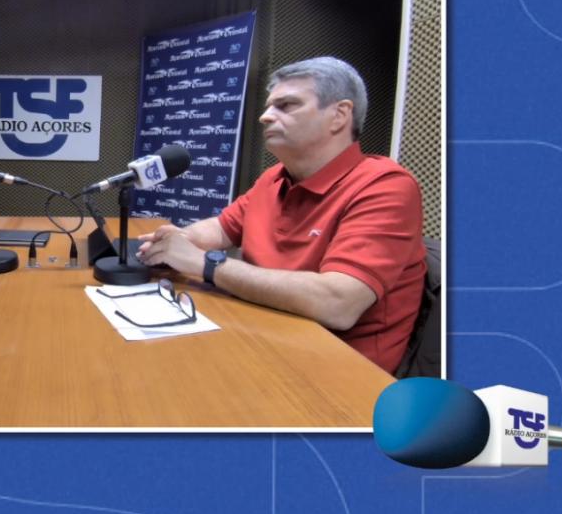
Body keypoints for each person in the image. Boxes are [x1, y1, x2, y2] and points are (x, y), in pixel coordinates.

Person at [137, 57, 426, 374]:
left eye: (286, 106)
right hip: (261, 338)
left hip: (335, 374)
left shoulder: (386, 187)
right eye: (269, 106)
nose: (265, 116)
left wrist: (205, 263)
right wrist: (179, 240)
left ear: (340, 115)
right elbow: (222, 228)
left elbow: (339, 303)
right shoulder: (273, 178)